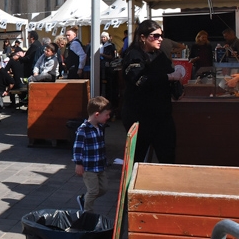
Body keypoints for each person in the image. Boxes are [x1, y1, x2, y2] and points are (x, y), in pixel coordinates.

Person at [121, 19, 184, 163]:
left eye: (161, 35)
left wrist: (177, 88)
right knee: (136, 160)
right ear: (142, 37)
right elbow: (140, 80)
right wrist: (168, 77)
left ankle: (165, 185)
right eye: (155, 36)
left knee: (168, 157)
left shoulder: (160, 55)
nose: (160, 39)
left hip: (161, 116)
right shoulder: (133, 55)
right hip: (139, 117)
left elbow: (170, 75)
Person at [73, 96, 111, 213]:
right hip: (89, 167)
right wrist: (78, 163)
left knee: (103, 189)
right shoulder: (83, 130)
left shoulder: (99, 127)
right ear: (97, 114)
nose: (108, 117)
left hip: (100, 165)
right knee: (93, 190)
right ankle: (87, 212)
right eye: (107, 114)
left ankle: (85, 199)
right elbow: (77, 148)